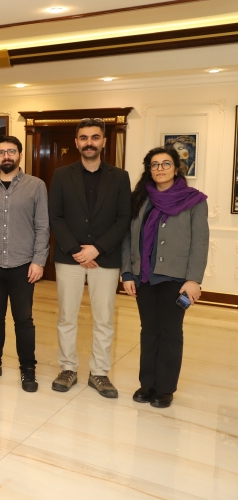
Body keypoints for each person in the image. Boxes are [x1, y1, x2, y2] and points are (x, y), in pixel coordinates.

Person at [48, 118, 131, 398]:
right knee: (66, 317)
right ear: (76, 142)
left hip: (105, 258)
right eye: (84, 138)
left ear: (104, 142)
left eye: (95, 137)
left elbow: (123, 219)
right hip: (68, 257)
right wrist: (76, 250)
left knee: (104, 319)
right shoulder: (62, 174)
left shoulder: (120, 177)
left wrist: (97, 249)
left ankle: (99, 373)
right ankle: (68, 368)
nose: (89, 143)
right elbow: (55, 216)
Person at [121, 147, 208, 409]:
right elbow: (128, 237)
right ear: (149, 170)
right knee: (149, 331)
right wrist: (128, 272)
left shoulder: (194, 200)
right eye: (154, 164)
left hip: (176, 279)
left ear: (177, 168)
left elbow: (200, 242)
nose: (160, 169)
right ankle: (147, 383)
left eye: (166, 163)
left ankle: (165, 388)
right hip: (144, 277)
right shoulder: (139, 199)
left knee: (170, 332)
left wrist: (193, 279)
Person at [0, 135, 49, 392]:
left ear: (19, 155)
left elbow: (42, 226)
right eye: (1, 152)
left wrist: (38, 261)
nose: (6, 156)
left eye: (11, 151)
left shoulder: (36, 186)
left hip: (23, 265)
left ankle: (28, 368)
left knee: (23, 319)